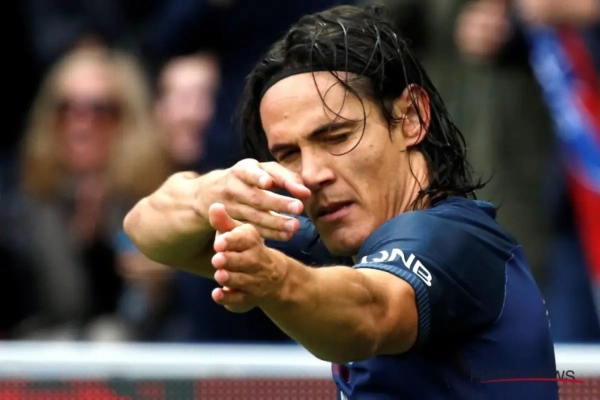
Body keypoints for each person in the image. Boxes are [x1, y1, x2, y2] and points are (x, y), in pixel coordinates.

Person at [124, 5, 558, 399]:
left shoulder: (454, 240)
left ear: (411, 117)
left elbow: (369, 314)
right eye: (288, 154)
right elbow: (146, 230)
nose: (312, 174)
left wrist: (276, 280)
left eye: (336, 136)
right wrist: (208, 196)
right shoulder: (326, 240)